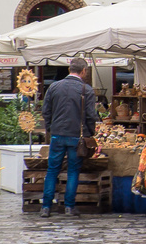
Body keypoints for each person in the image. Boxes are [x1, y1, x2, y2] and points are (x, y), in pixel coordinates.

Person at [40, 57, 101, 216]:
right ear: (83, 71)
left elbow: (46, 111)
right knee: (73, 170)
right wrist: (90, 133)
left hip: (57, 134)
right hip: (77, 136)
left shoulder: (53, 87)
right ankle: (69, 206)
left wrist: (50, 129)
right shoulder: (86, 90)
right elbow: (90, 115)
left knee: (52, 170)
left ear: (69, 70)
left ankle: (46, 207)